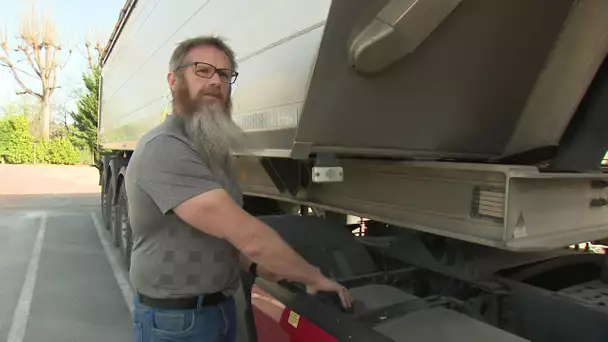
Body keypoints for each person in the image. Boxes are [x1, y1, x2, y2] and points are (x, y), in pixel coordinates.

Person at [124, 35, 353, 342]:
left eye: (224, 74)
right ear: (173, 80)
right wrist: (313, 276)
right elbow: (248, 235)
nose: (216, 81)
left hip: (218, 310)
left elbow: (228, 239)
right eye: (202, 70)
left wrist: (258, 268)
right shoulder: (165, 147)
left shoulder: (212, 151)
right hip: (175, 323)